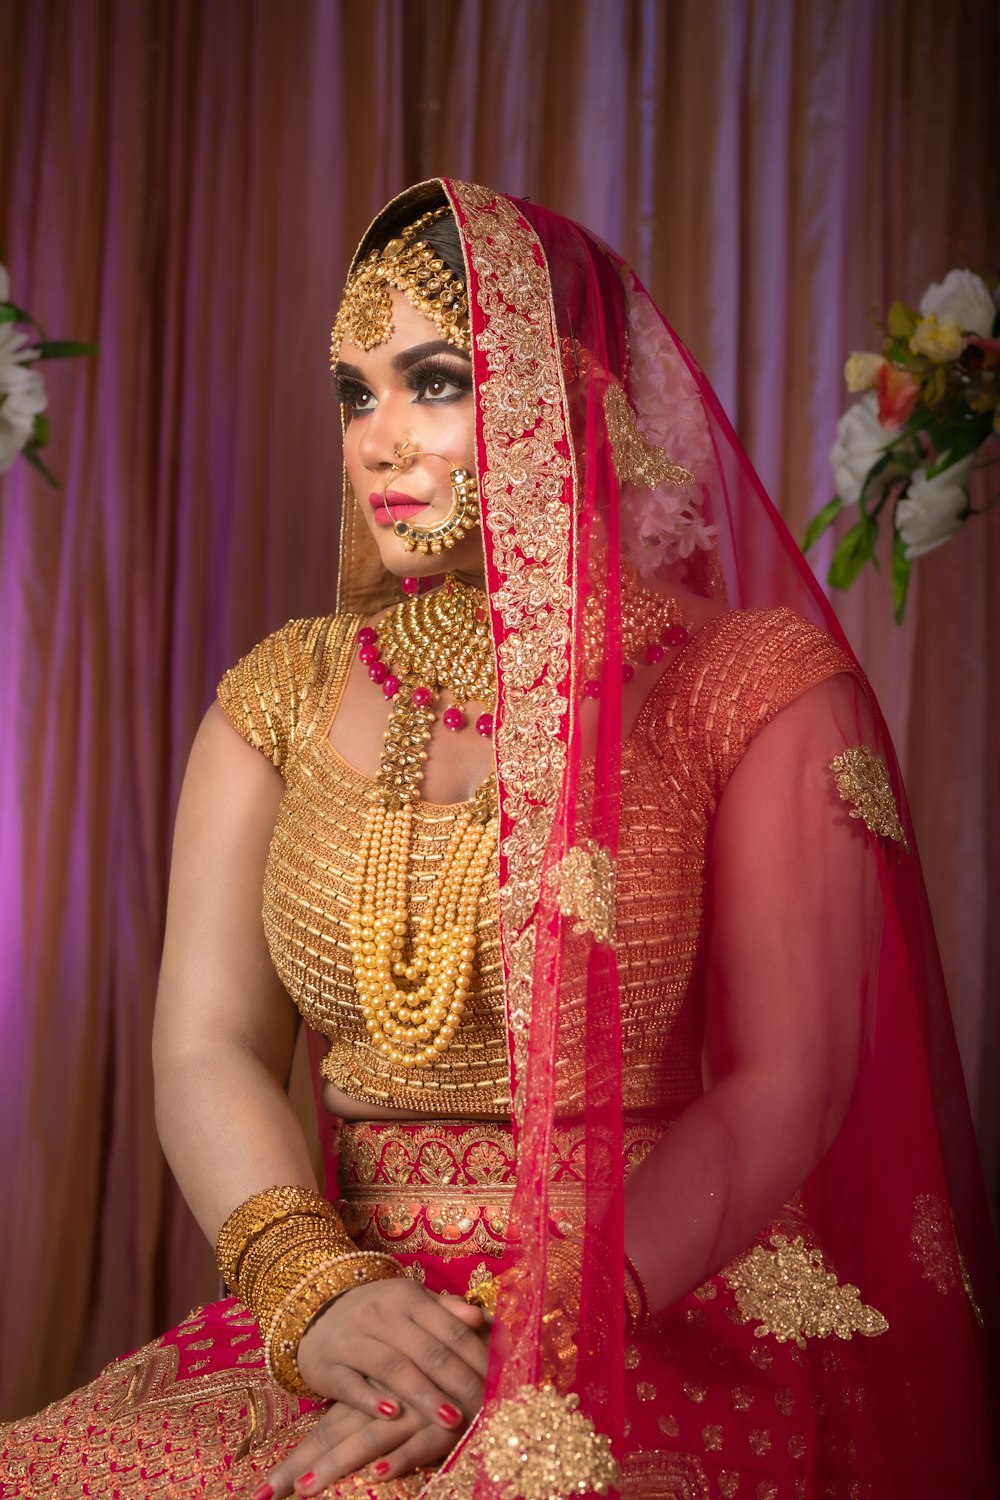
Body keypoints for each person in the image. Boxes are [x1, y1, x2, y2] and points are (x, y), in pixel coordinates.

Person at [1, 179, 997, 1500]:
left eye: (433, 382)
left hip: (651, 1303)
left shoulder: (742, 688)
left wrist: (544, 1332)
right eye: (357, 393)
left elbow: (789, 1083)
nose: (378, 441)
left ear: (567, 391)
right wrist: (317, 1289)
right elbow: (206, 1042)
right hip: (349, 1315)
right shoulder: (282, 695)